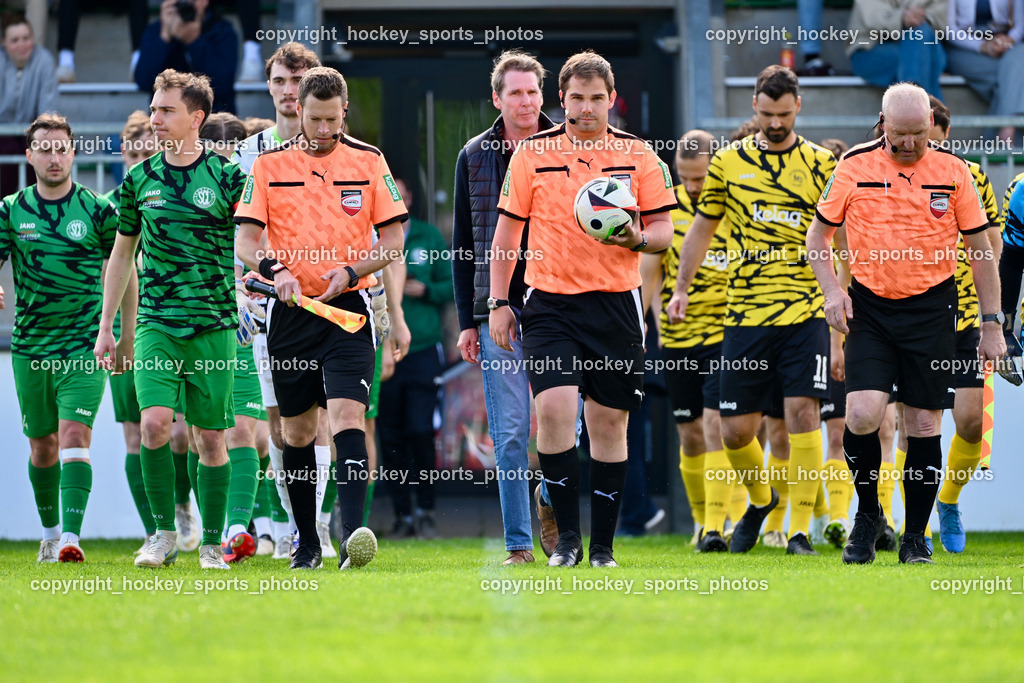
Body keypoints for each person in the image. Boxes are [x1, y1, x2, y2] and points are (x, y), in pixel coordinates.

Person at [490, 50, 675, 568]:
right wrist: (500, 301)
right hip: (549, 304)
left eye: (597, 98)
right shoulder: (532, 153)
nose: (587, 108)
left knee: (608, 424)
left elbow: (663, 231)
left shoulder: (639, 155)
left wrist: (638, 237)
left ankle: (603, 548)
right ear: (562, 99)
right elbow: (507, 232)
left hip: (616, 304)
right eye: (577, 98)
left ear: (612, 100)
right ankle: (567, 539)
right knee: (551, 411)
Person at [807, 82, 1003, 565]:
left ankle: (916, 536)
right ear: (883, 124)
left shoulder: (954, 171)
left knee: (922, 423)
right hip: (870, 308)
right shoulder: (853, 165)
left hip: (932, 309)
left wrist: (993, 324)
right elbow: (818, 238)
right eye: (902, 134)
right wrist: (833, 291)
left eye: (921, 134)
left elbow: (982, 253)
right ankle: (868, 514)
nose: (913, 144)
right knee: (862, 416)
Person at [235, 66, 407, 571]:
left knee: (349, 417)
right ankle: (305, 542)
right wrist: (276, 270)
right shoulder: (268, 166)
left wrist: (352, 268)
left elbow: (393, 243)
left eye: (333, 120)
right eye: (315, 119)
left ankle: (352, 536)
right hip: (290, 313)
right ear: (298, 112)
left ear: (344, 112)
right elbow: (246, 242)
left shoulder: (369, 161)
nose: (324, 130)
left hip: (348, 312)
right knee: (297, 432)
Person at [667, 65, 837, 556]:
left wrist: (839, 297)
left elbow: (840, 238)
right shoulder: (727, 162)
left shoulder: (823, 165)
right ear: (754, 109)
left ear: (798, 107)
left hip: (805, 311)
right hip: (744, 314)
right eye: (766, 114)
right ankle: (762, 501)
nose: (776, 124)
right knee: (734, 429)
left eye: (784, 114)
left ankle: (800, 529)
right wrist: (682, 288)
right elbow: (701, 229)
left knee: (802, 413)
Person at [95, 69, 248, 570]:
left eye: (166, 111)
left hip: (213, 324)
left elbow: (249, 245)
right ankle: (161, 535)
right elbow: (120, 256)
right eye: (154, 109)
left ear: (196, 118)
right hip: (157, 323)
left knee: (209, 438)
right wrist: (108, 328)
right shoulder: (139, 179)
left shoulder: (228, 178)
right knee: (155, 425)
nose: (156, 119)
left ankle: (211, 545)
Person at [0, 114, 121, 563]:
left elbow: (123, 267)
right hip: (30, 346)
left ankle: (71, 537)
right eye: (44, 149)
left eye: (61, 148)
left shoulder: (98, 210)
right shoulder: (11, 209)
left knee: (74, 434)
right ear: (29, 155)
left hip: (84, 343)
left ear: (73, 152)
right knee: (43, 444)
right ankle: (49, 533)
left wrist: (118, 332)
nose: (54, 157)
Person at [452, 49, 556, 564]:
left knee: (570, 428)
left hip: (560, 307)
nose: (525, 101)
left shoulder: (569, 149)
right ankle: (519, 544)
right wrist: (469, 318)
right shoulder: (473, 155)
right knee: (511, 432)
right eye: (515, 92)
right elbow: (464, 242)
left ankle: (550, 498)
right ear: (497, 98)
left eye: (533, 91)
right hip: (496, 313)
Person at [640, 129, 735, 552]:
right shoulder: (667, 206)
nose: (693, 186)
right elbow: (649, 272)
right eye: (686, 177)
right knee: (691, 434)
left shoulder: (735, 206)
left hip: (727, 336)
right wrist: (651, 323)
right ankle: (702, 521)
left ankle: (718, 524)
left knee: (717, 425)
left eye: (700, 178)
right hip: (678, 340)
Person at [914, 95, 1001, 554]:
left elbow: (992, 244)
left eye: (937, 137)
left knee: (969, 424)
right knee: (918, 422)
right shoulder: (892, 177)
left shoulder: (970, 177)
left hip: (965, 316)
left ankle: (947, 501)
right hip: (915, 315)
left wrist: (993, 317)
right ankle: (917, 520)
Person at [378, 178, 452, 540]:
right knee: (390, 436)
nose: (399, 204)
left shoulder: (427, 237)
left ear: (410, 201)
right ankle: (401, 515)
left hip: (423, 348)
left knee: (422, 432)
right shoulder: (373, 235)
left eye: (404, 198)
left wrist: (427, 290)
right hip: (385, 349)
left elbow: (452, 284)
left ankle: (426, 510)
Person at [134, 0, 238, 113]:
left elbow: (223, 85)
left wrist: (195, 41)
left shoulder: (222, 31)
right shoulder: (155, 31)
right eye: (182, 2)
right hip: (167, 120)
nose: (188, 5)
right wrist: (164, 38)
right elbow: (143, 81)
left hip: (212, 120)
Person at [945, 0, 1024, 141]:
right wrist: (982, 46)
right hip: (965, 49)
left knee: (1019, 56)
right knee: (1011, 78)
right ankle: (1006, 135)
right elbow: (949, 29)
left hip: (1005, 47)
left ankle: (1002, 135)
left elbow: (1020, 24)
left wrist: (1008, 40)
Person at [0, 12, 59, 196]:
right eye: (15, 40)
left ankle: (38, 209)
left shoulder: (45, 61)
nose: (21, 45)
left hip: (31, 131)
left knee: (40, 149)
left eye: (26, 38)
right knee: (8, 151)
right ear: (4, 43)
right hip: (1, 132)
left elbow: (47, 111)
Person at [847, 0, 947, 99]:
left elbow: (940, 18)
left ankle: (912, 102)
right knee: (922, 58)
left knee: (921, 34)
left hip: (919, 47)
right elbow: (873, 18)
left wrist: (920, 19)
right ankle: (921, 105)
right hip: (871, 51)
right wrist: (902, 18)